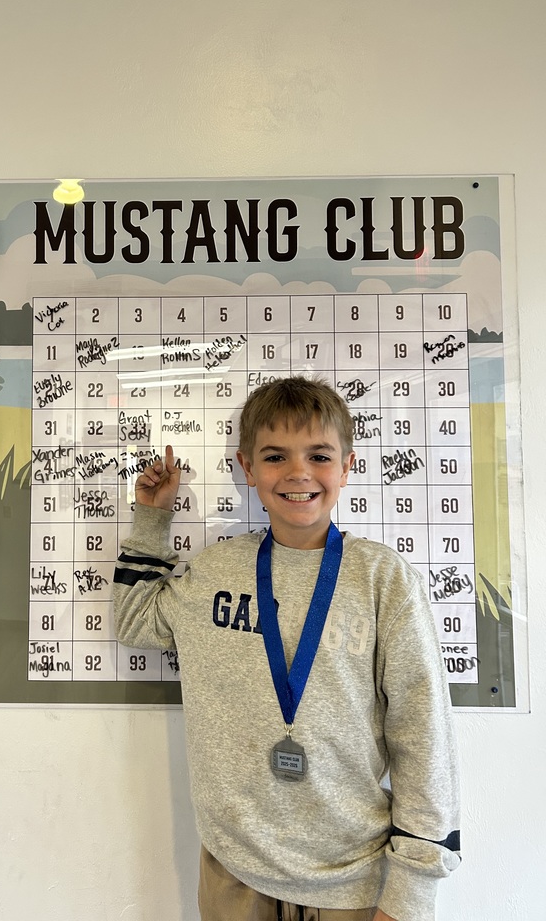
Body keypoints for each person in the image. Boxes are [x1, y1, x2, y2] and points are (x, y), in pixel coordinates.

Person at [113, 375, 460, 921]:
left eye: (319, 455)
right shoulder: (216, 572)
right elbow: (136, 622)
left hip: (356, 882)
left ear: (347, 465)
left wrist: (412, 892)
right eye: (275, 456)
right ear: (247, 468)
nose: (298, 472)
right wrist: (152, 518)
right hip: (236, 875)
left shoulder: (383, 581)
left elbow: (423, 737)